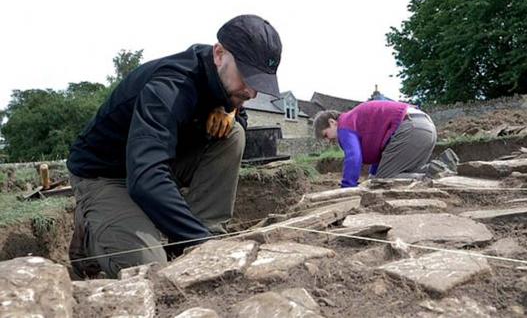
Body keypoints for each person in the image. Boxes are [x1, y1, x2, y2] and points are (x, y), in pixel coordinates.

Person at [66, 14, 282, 278]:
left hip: (157, 163)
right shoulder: (169, 88)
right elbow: (145, 178)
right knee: (148, 266)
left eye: (259, 82)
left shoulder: (224, 82)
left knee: (233, 132)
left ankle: (203, 233)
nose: (252, 92)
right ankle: (90, 238)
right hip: (105, 175)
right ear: (219, 54)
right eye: (247, 77)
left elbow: (237, 116)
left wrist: (232, 112)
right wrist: (203, 243)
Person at [313, 100, 437, 187]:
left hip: (410, 128)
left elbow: (353, 157)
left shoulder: (344, 125)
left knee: (383, 180)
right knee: (403, 171)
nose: (328, 141)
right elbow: (381, 156)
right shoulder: (357, 121)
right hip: (426, 126)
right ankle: (437, 169)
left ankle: (430, 176)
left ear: (332, 122)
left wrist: (348, 186)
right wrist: (372, 177)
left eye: (325, 135)